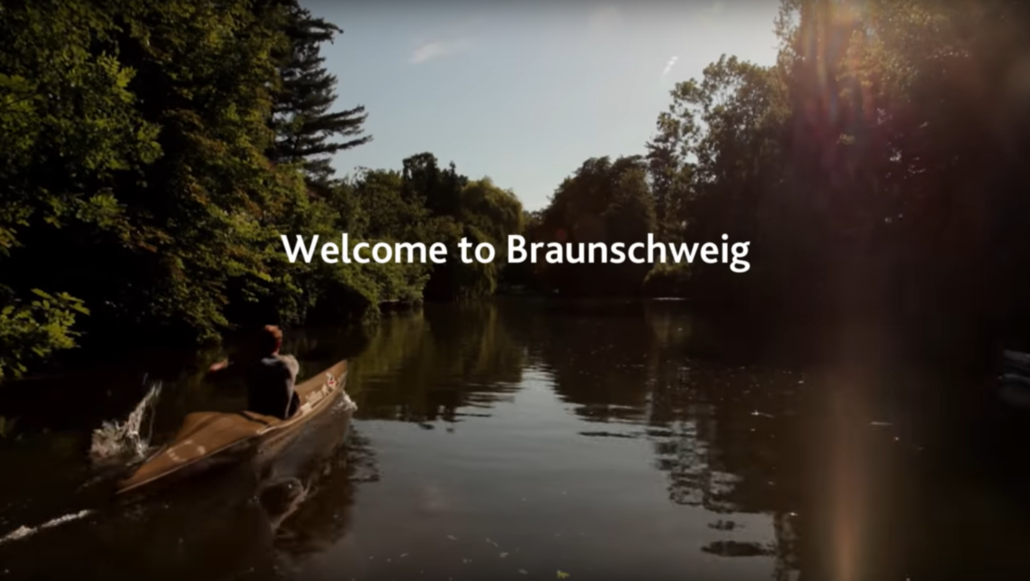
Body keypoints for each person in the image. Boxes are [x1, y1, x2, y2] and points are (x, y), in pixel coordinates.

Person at [208, 325, 301, 419]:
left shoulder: (251, 365)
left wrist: (225, 362)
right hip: (283, 416)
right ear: (278, 344)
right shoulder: (291, 361)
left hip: (259, 414)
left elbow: (214, 371)